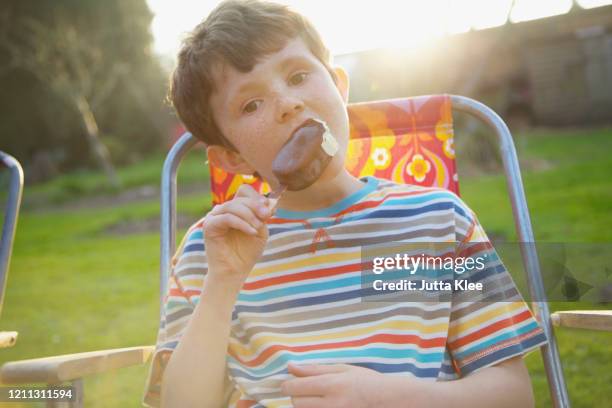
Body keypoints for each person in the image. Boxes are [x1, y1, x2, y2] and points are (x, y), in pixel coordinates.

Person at [143, 1, 548, 407]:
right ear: (233, 158)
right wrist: (222, 283)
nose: (288, 103)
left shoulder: (438, 221)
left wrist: (393, 399)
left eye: (298, 76)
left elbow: (513, 396)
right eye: (251, 104)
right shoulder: (211, 252)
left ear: (339, 87)